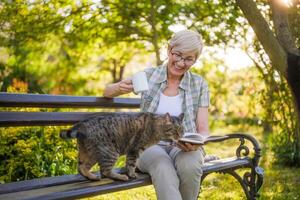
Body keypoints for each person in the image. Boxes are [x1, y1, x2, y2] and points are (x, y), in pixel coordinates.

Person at [103, 29, 209, 200]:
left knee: (190, 166)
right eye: (178, 55)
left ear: (195, 60)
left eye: (189, 59)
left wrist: (198, 142)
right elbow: (107, 91)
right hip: (148, 145)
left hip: (183, 146)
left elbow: (203, 129)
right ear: (169, 50)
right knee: (163, 166)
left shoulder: (199, 84)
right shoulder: (149, 76)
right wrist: (118, 87)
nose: (181, 63)